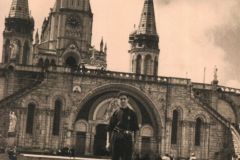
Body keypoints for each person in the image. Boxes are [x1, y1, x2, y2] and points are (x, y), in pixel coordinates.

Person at [106, 91, 139, 160]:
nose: (123, 100)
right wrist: (108, 142)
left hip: (127, 139)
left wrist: (135, 144)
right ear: (118, 100)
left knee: (127, 158)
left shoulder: (132, 113)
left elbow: (136, 129)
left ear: (127, 100)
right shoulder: (115, 112)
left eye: (124, 98)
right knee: (115, 158)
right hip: (116, 138)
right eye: (121, 99)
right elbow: (110, 128)